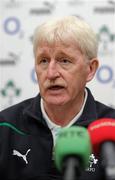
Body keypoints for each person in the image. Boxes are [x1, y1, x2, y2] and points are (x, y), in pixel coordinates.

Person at [0, 15, 115, 180]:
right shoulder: (5, 126)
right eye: (44, 61)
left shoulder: (111, 128)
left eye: (65, 61)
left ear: (90, 69)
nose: (51, 73)